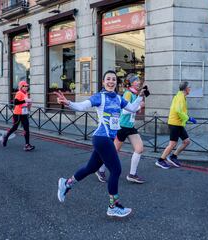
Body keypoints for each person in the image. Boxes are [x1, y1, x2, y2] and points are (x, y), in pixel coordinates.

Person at [56, 70, 144, 218]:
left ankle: (67, 183)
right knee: (116, 170)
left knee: (91, 168)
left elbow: (133, 108)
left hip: (107, 139)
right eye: (108, 79)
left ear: (117, 82)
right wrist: (68, 102)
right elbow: (82, 106)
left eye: (114, 79)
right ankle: (113, 206)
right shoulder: (100, 97)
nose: (111, 81)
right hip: (101, 138)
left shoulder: (118, 98)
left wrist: (140, 96)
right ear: (103, 82)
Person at [95, 73, 146, 184]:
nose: (139, 83)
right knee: (113, 151)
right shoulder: (128, 94)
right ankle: (101, 170)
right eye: (136, 81)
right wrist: (138, 107)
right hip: (122, 126)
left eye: (139, 81)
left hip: (130, 126)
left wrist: (139, 102)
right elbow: (123, 110)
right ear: (131, 83)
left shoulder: (135, 94)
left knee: (139, 148)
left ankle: (132, 174)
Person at [155, 81, 197, 169]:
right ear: (186, 89)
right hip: (174, 124)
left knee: (186, 141)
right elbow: (179, 111)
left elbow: (180, 111)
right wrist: (189, 118)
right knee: (172, 144)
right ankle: (160, 160)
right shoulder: (180, 97)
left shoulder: (181, 96)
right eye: (190, 87)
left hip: (178, 124)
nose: (190, 89)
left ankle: (173, 157)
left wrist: (186, 118)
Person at [1, 80, 35, 151]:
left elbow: (25, 104)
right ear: (21, 87)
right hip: (17, 114)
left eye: (27, 86)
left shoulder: (26, 93)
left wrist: (29, 104)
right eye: (25, 86)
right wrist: (25, 101)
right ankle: (6, 136)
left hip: (24, 113)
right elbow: (15, 102)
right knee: (15, 127)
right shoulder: (19, 93)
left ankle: (27, 145)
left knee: (26, 128)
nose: (26, 87)